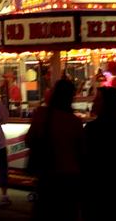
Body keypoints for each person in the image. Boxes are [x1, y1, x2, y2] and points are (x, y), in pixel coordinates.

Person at [25, 79, 84, 221]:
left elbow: (29, 140)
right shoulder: (75, 122)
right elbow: (81, 151)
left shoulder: (41, 115)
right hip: (70, 176)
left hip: (48, 174)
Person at [83, 87, 116, 221]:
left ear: (105, 104)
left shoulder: (92, 129)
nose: (93, 102)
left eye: (97, 100)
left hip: (96, 186)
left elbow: (86, 157)